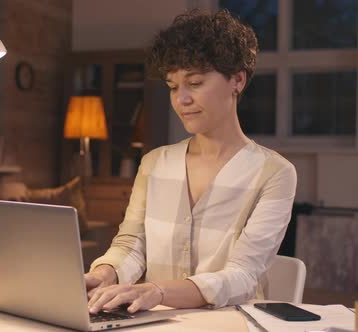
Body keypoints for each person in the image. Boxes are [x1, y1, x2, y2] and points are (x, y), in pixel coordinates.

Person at [85, 9, 297, 314]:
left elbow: (243, 275)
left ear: (237, 79)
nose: (180, 99)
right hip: (151, 322)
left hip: (228, 324)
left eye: (194, 83)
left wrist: (158, 291)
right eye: (173, 86)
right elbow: (131, 244)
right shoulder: (154, 163)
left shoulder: (274, 174)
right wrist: (103, 274)